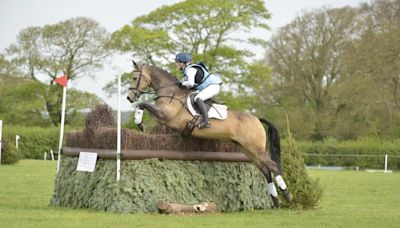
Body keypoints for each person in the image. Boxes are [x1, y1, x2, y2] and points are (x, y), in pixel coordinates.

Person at [175, 52, 222, 128]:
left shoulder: (190, 69)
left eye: (177, 62)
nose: (176, 64)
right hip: (209, 87)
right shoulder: (187, 70)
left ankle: (206, 121)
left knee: (198, 98)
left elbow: (191, 83)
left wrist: (181, 83)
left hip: (213, 86)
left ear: (182, 63)